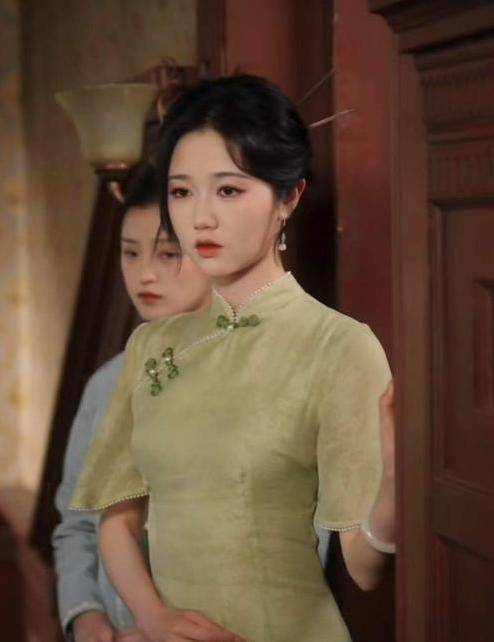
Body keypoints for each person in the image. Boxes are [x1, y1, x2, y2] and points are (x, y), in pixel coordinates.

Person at [71, 75, 395, 642]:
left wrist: (396, 477)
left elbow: (364, 569)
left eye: (228, 190)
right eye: (181, 192)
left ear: (289, 196)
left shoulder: (338, 345)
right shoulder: (152, 347)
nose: (200, 218)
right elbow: (116, 522)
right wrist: (155, 617)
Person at [52, 162, 211, 642]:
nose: (144, 274)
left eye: (167, 254)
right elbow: (78, 524)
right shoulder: (107, 385)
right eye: (130, 252)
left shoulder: (259, 375)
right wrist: (87, 617)